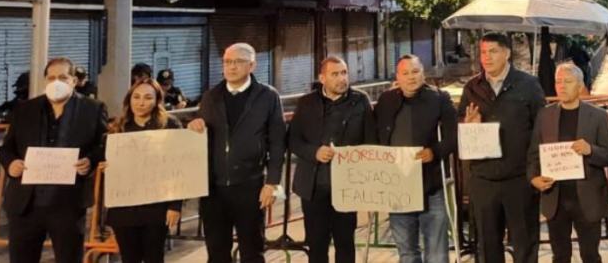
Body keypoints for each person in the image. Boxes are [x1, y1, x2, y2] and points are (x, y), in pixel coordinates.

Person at [0, 58, 107, 263]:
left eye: (63, 77)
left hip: (67, 205)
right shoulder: (25, 109)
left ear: (74, 81)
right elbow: (6, 149)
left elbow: (103, 145)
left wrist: (90, 161)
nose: (57, 82)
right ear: (45, 81)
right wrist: (10, 164)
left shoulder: (93, 109)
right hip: (25, 205)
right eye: (52, 78)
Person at [187, 44, 286, 263]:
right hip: (214, 189)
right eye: (227, 62)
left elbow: (277, 142)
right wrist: (194, 124)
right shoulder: (211, 97)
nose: (232, 67)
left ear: (252, 65)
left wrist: (272, 183)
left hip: (250, 185)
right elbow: (199, 133)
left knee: (252, 251)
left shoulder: (267, 96)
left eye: (238, 62)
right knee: (217, 252)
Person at [458, 32, 547, 263]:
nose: (486, 57)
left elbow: (542, 129)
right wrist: (469, 126)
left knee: (525, 244)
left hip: (520, 179)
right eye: (483, 52)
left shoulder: (528, 85)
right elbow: (461, 130)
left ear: (507, 53)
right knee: (487, 247)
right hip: (484, 179)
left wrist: (536, 170)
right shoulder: (472, 87)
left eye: (493, 51)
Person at [289, 56, 376, 263]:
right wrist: (314, 152)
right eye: (335, 74)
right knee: (317, 245)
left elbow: (371, 140)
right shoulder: (306, 103)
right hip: (313, 186)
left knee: (345, 243)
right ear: (322, 78)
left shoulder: (360, 100)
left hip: (347, 185)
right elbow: (293, 140)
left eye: (344, 73)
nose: (341, 79)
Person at [527, 63, 608, 263]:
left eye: (568, 81)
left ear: (580, 85)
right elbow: (533, 154)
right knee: (560, 256)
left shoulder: (598, 116)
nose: (562, 86)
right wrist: (534, 178)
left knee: (590, 255)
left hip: (588, 198)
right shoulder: (544, 115)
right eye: (558, 82)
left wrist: (591, 150)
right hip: (555, 197)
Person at [374, 55, 456, 263]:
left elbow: (454, 136)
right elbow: (375, 135)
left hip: (431, 183)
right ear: (397, 77)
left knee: (436, 252)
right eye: (405, 73)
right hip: (398, 185)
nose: (411, 77)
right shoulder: (386, 100)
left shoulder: (439, 98)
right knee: (407, 251)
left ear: (423, 73)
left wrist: (434, 152)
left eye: (415, 71)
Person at [105, 78, 182, 263]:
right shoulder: (117, 128)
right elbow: (104, 159)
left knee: (154, 256)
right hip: (123, 207)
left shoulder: (170, 125)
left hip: (156, 207)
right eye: (136, 97)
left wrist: (175, 205)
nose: (141, 103)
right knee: (129, 258)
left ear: (157, 100)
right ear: (129, 99)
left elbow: (178, 167)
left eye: (148, 97)